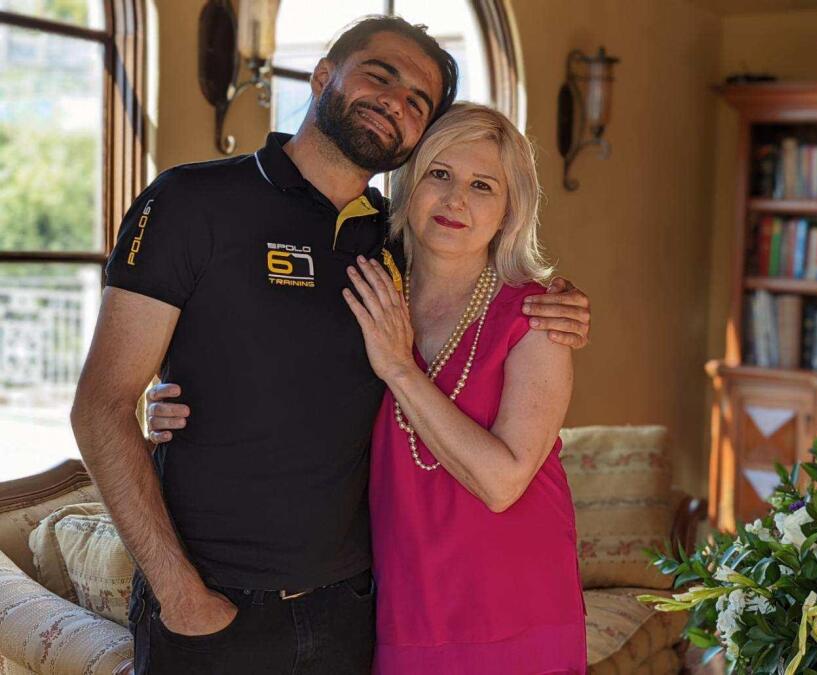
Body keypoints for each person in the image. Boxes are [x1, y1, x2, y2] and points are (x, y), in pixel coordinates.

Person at [71, 16, 590, 675]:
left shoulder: (393, 246)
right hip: (212, 606)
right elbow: (100, 406)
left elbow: (481, 286)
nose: (395, 102)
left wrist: (565, 304)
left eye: (418, 102)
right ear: (322, 76)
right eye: (380, 75)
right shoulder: (193, 201)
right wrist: (181, 596)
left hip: (352, 618)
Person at [345, 102, 584, 673]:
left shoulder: (538, 317)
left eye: (482, 185)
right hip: (405, 606)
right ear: (408, 185)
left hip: (517, 608)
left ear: (508, 211)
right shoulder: (369, 293)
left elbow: (503, 482)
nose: (456, 200)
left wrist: (400, 368)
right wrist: (175, 407)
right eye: (440, 174)